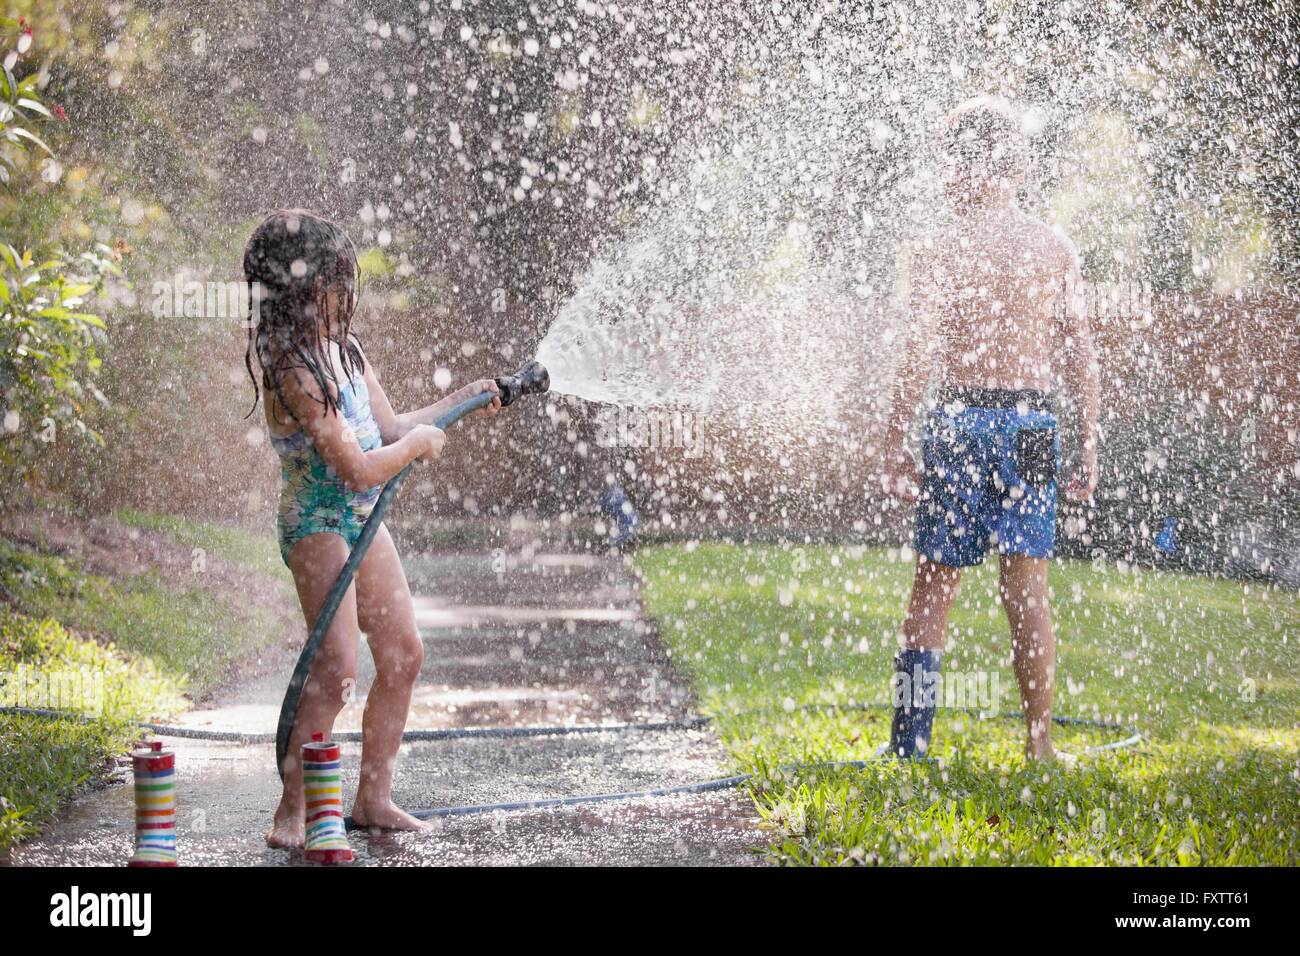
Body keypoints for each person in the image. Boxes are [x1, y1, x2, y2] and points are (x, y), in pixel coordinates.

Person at [242, 209, 501, 848]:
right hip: (319, 522)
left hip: (361, 518)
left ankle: (373, 798)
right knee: (334, 669)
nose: (344, 294)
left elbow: (389, 427)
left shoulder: (345, 351)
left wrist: (463, 396)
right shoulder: (295, 370)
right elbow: (358, 467)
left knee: (403, 653)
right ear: (298, 290)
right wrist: (415, 447)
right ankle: (292, 810)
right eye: (332, 282)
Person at [880, 97, 1100, 762]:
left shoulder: (939, 247)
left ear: (958, 165)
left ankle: (910, 746)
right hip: (1032, 423)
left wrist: (894, 434)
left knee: (933, 587)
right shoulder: (1052, 247)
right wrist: (1087, 439)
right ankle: (1039, 744)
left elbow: (918, 353)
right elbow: (1079, 351)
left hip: (958, 422)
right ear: (1017, 165)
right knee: (1026, 588)